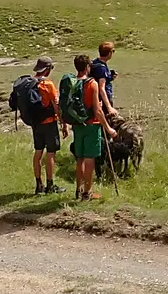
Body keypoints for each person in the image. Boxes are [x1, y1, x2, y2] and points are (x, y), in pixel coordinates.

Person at [68, 54, 109, 201]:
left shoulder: (72, 83)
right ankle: (88, 192)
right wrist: (108, 128)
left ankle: (78, 189)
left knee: (79, 158)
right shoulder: (92, 84)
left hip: (77, 125)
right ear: (87, 67)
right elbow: (97, 111)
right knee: (89, 159)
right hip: (92, 125)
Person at [26, 57, 65, 195]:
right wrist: (63, 123)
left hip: (36, 123)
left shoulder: (30, 83)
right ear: (47, 69)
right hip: (49, 123)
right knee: (50, 153)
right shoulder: (48, 84)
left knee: (38, 152)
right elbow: (56, 105)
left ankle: (38, 184)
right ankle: (50, 185)